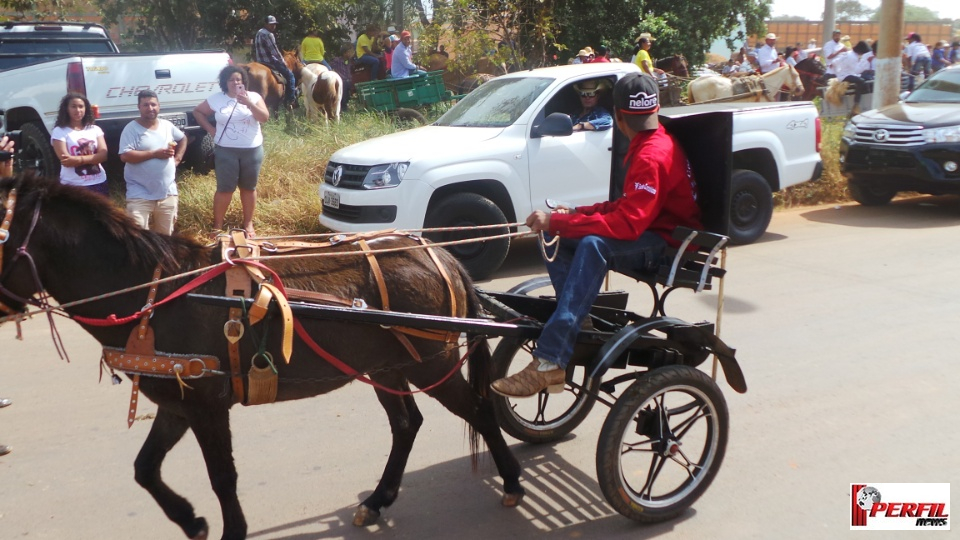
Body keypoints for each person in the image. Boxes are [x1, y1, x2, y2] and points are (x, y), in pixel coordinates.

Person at [490, 73, 702, 397]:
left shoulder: (650, 155)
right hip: (650, 226)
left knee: (592, 245)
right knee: (554, 236)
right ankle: (579, 320)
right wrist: (573, 215)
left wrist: (559, 222)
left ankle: (550, 359)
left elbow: (627, 225)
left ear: (617, 116)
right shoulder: (652, 140)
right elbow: (624, 206)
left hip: (667, 243)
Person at [193, 66, 270, 238]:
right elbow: (198, 112)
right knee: (225, 188)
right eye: (231, 80)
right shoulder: (216, 99)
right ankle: (217, 226)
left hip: (252, 149)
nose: (235, 83)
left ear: (243, 82)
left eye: (238, 79)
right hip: (225, 150)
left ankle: (248, 224)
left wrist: (249, 103)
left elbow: (264, 118)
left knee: (249, 188)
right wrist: (211, 130)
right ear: (225, 82)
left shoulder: (254, 97)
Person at [118, 90, 186, 235]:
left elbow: (183, 138)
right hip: (139, 193)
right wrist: (154, 154)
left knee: (165, 238)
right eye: (145, 105)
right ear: (139, 107)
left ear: (159, 106)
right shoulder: (131, 129)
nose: (150, 108)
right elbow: (125, 156)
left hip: (167, 192)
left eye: (153, 104)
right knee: (138, 238)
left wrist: (177, 159)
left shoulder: (167, 125)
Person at [50, 93, 108, 196]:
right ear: (66, 109)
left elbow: (103, 155)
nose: (78, 110)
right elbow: (66, 160)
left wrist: (78, 160)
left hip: (98, 182)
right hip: (72, 185)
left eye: (81, 106)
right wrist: (94, 158)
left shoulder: (95, 129)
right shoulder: (59, 131)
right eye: (73, 106)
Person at [254, 15, 296, 106]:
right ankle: (290, 100)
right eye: (271, 24)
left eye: (274, 24)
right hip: (269, 61)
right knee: (291, 76)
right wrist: (282, 61)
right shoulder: (269, 34)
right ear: (265, 24)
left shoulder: (259, 32)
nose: (273, 26)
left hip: (259, 61)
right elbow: (274, 50)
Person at [833, 41, 872, 117]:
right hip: (845, 76)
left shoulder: (849, 53)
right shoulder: (853, 57)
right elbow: (856, 70)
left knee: (862, 78)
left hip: (843, 74)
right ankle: (856, 102)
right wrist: (867, 61)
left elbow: (835, 62)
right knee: (861, 81)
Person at [329, 42, 355, 112]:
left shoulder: (351, 61)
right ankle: (342, 107)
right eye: (350, 52)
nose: (352, 54)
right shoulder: (337, 60)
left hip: (349, 80)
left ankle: (348, 105)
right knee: (343, 91)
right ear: (345, 53)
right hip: (342, 80)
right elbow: (330, 67)